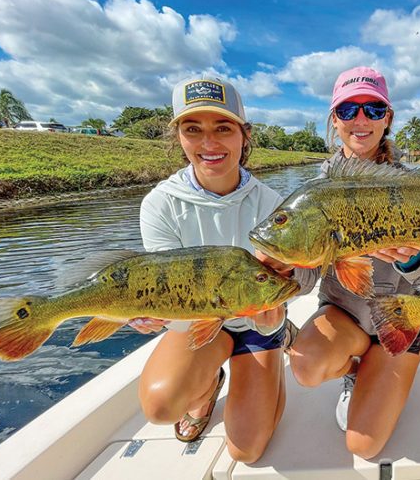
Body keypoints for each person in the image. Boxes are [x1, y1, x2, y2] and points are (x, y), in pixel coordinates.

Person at [132, 77, 315, 463]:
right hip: (200, 324)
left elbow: (292, 282)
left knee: (246, 450)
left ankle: (276, 346)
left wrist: (272, 320)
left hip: (257, 322)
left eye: (223, 128)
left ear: (244, 135)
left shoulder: (275, 204)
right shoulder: (159, 204)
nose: (209, 143)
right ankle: (209, 380)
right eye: (193, 129)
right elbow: (170, 295)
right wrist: (152, 312)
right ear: (178, 137)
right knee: (161, 407)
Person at [288, 66, 420, 459]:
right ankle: (356, 370)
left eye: (372, 109)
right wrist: (286, 264)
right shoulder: (316, 193)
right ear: (334, 120)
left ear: (387, 118)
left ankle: (385, 367)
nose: (360, 119)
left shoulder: (414, 186)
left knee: (364, 446)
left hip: (402, 316)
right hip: (346, 315)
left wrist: (414, 259)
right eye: (348, 110)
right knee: (305, 366)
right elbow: (304, 282)